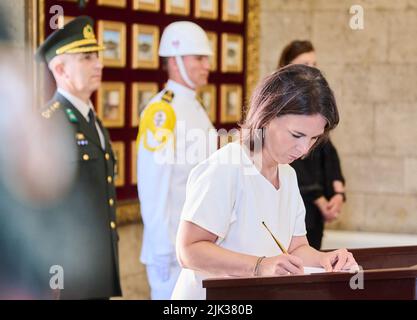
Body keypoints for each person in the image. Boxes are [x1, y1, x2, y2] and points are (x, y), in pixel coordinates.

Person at [172, 64, 357, 300]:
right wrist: (259, 266)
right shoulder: (226, 168)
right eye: (297, 135)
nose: (304, 149)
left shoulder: (288, 175)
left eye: (314, 138)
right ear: (267, 115)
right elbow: (188, 250)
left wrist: (324, 259)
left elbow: (296, 248)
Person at [35, 16, 122, 299]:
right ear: (60, 68)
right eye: (86, 58)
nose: (99, 64)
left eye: (96, 56)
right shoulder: (49, 123)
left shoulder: (92, 120)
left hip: (96, 268)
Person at [137, 21, 215, 299]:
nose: (207, 65)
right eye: (199, 58)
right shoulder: (162, 111)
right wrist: (162, 247)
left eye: (207, 58)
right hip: (171, 249)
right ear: (174, 61)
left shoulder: (194, 106)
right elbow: (152, 185)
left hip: (196, 246)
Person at [278, 40, 346, 249]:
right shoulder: (282, 107)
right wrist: (318, 199)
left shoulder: (317, 108)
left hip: (316, 210)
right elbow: (295, 162)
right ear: (286, 69)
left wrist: (338, 192)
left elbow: (328, 152)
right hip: (300, 200)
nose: (312, 70)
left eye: (314, 64)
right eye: (305, 63)